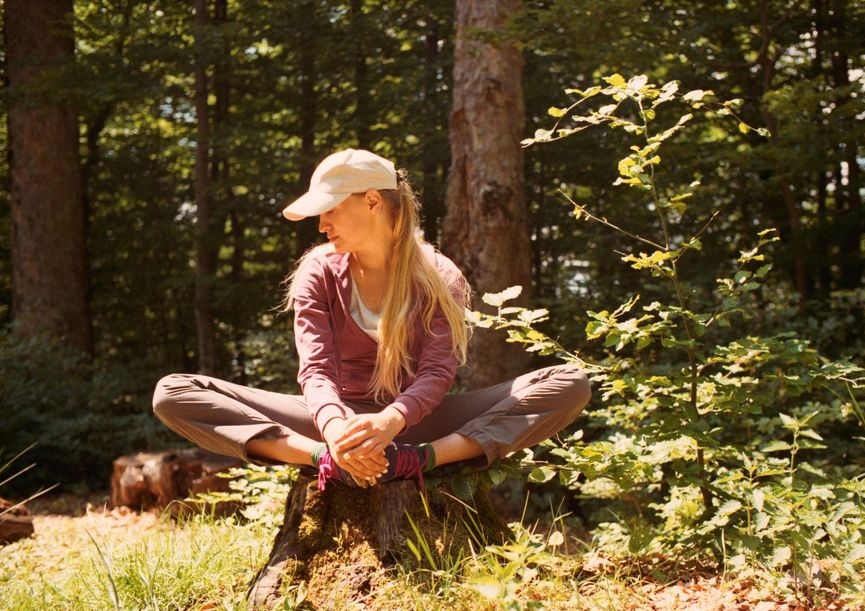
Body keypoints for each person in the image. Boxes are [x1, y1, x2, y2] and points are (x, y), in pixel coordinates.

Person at [152, 148, 590, 490]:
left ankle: (420, 460)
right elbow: (316, 371)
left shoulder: (439, 276)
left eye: (330, 210)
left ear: (373, 201)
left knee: (571, 383)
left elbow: (437, 373)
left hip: (416, 424)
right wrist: (335, 431)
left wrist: (392, 421)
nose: (321, 225)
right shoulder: (318, 271)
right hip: (331, 421)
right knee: (172, 393)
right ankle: (324, 460)